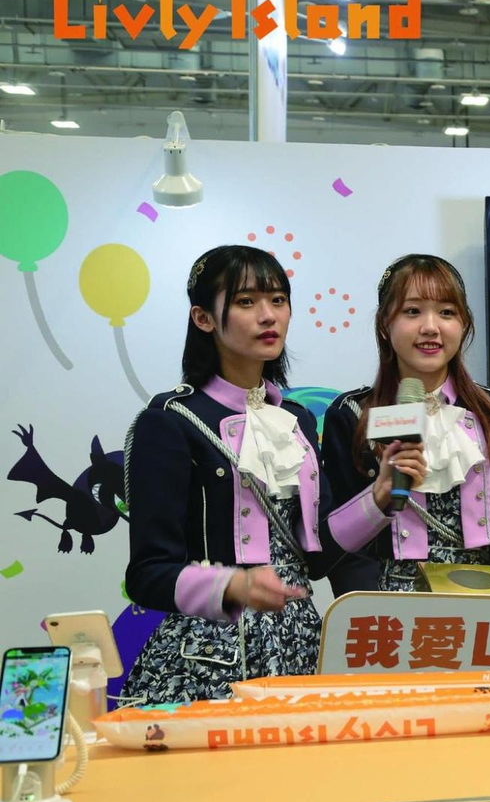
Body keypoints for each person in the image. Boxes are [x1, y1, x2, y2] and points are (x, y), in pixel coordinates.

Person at [123, 245, 339, 704]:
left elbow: (318, 559)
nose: (268, 315)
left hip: (300, 646)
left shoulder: (298, 420)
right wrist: (234, 585)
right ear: (203, 318)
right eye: (246, 302)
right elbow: (147, 574)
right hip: (209, 657)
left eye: (278, 300)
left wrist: (381, 499)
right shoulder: (170, 420)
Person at [324, 254, 490, 595]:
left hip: (485, 603)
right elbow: (342, 553)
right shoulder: (352, 414)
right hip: (386, 609)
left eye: (447, 312)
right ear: (384, 325)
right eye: (412, 311)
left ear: (464, 324)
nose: (430, 327)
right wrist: (365, 608)